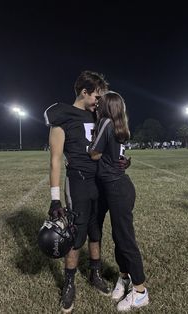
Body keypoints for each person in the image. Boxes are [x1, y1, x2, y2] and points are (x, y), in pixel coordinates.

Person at [44, 70, 111, 313]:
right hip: (79, 181)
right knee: (75, 235)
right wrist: (54, 200)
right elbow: (55, 160)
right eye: (96, 95)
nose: (98, 101)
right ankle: (69, 283)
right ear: (85, 92)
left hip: (100, 180)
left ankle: (95, 274)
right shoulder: (63, 116)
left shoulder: (98, 115)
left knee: (96, 231)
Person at [89, 91, 149, 312]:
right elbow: (118, 156)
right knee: (118, 236)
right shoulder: (119, 124)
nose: (96, 105)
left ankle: (141, 291)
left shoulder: (105, 121)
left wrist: (95, 151)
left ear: (107, 107)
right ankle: (124, 278)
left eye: (100, 103)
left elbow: (94, 152)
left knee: (125, 240)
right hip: (117, 186)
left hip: (117, 188)